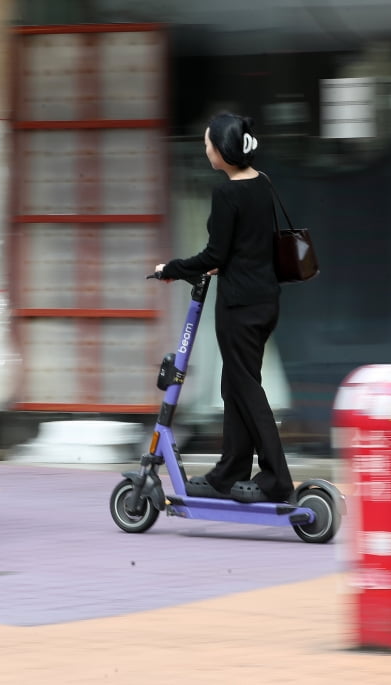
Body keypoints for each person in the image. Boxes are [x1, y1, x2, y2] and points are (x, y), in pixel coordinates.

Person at [155, 112, 295, 504]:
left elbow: (214, 253)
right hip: (265, 300)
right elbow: (248, 245)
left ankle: (277, 479)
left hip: (239, 306)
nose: (205, 150)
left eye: (207, 144)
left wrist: (171, 269)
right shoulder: (262, 184)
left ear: (223, 150)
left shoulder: (226, 193)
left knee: (247, 390)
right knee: (235, 386)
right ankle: (228, 472)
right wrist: (223, 260)